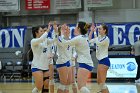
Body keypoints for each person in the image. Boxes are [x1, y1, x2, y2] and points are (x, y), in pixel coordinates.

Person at [58, 21, 94, 93]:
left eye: (76, 26)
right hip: (87, 63)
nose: (74, 28)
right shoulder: (84, 36)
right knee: (82, 86)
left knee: (81, 87)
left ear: (79, 28)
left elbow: (64, 43)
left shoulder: (79, 38)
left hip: (84, 64)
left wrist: (59, 34)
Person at [31, 23, 56, 93]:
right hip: (37, 67)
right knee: (39, 86)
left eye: (43, 31)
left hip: (45, 67)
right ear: (36, 33)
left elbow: (54, 40)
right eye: (41, 31)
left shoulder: (45, 40)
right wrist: (47, 31)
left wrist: (56, 32)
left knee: (46, 85)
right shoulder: (33, 41)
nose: (43, 32)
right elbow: (41, 39)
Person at [89, 24, 110, 93]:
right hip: (100, 61)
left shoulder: (106, 39)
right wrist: (92, 31)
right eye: (99, 29)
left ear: (104, 30)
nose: (99, 30)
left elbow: (98, 43)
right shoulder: (99, 38)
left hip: (104, 61)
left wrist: (95, 32)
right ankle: (102, 91)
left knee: (102, 83)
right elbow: (88, 41)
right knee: (99, 81)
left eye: (100, 29)